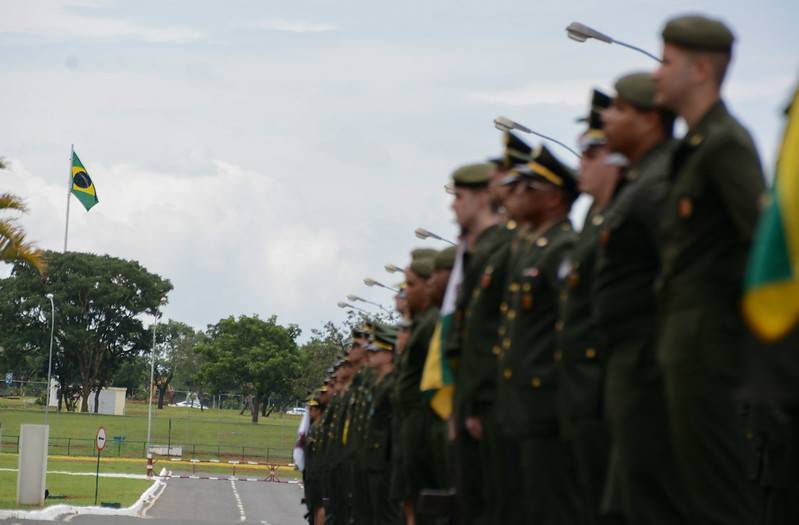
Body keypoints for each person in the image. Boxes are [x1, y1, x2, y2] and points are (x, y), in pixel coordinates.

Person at [652, 14, 765, 523]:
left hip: (712, 347)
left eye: (667, 62)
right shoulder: (693, 147)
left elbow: (760, 244)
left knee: (719, 496)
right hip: (685, 345)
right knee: (694, 493)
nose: (657, 74)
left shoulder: (726, 144)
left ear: (699, 70)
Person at [597, 71, 688, 524]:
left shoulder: (659, 185)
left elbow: (679, 278)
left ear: (650, 119)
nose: (606, 117)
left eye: (618, 108)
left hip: (652, 368)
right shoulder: (639, 184)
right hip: (630, 367)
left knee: (654, 501)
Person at [494, 145, 580, 524]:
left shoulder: (562, 248)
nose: (518, 196)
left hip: (545, 403)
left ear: (554, 198)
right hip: (523, 405)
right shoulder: (534, 250)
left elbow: (570, 327)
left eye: (530, 188)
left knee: (547, 507)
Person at [394, 255, 440, 524]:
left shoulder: (430, 324)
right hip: (411, 428)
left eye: (410, 285)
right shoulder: (422, 324)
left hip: (423, 428)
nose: (404, 293)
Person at [365, 324, 404, 525]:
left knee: (388, 517)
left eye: (375, 351)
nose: (369, 355)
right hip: (376, 460)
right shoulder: (380, 384)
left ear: (389, 354)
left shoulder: (392, 385)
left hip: (386, 460)